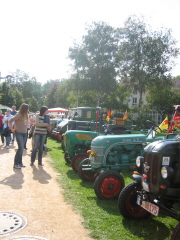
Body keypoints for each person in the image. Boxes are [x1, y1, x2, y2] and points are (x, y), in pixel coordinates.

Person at [9, 103, 29, 169]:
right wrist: (12, 129)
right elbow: (10, 120)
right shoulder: (18, 115)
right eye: (27, 108)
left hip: (25, 133)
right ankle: (16, 164)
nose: (28, 110)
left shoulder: (26, 115)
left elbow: (25, 124)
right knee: (20, 148)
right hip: (18, 133)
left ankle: (20, 163)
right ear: (25, 109)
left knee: (22, 148)